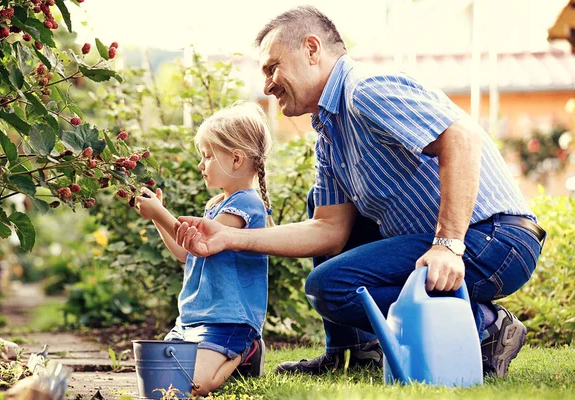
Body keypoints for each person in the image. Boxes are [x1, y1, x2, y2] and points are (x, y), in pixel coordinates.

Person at [173, 5, 546, 379]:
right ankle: (354, 352)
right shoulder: (329, 134)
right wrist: (230, 236)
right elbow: (328, 231)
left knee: (332, 287)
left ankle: (487, 323)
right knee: (320, 205)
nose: (267, 84)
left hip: (494, 238)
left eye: (273, 67)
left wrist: (448, 245)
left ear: (312, 50)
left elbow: (461, 137)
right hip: (446, 239)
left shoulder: (363, 89)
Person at [135, 101, 274, 396]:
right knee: (161, 381)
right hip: (191, 321)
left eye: (208, 156)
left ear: (236, 159)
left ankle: (244, 352)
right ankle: (226, 357)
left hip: (227, 322)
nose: (201, 164)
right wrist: (158, 219)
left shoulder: (246, 205)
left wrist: (160, 212)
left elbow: (202, 245)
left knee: (191, 384)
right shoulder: (217, 206)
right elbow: (187, 254)